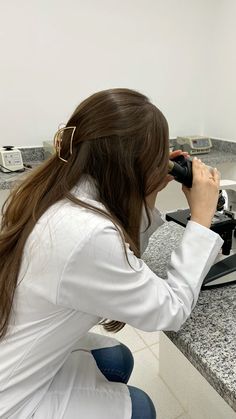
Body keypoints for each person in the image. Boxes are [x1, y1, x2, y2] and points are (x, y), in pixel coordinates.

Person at [0, 88, 223, 419]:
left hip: (20, 354)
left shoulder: (59, 191)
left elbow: (126, 256)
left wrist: (147, 192)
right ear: (130, 165)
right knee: (141, 408)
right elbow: (169, 310)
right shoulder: (86, 234)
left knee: (118, 358)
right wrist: (202, 220)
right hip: (12, 401)